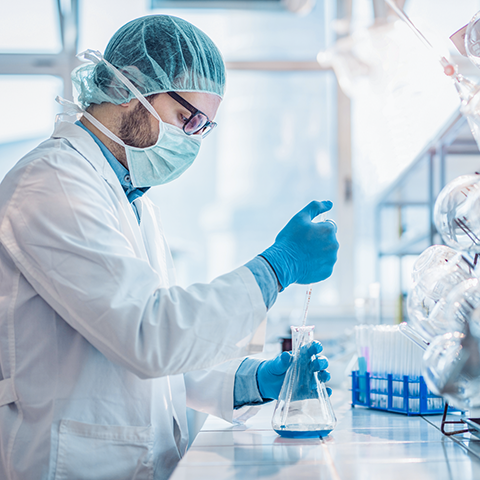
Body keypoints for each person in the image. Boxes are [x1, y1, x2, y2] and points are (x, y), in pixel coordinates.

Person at [0, 15, 339, 480]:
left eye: (203, 128)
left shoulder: (132, 201)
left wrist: (250, 381)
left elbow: (163, 358)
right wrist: (276, 267)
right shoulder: (53, 184)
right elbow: (149, 335)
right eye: (188, 119)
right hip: (72, 466)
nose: (192, 142)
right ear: (132, 85)